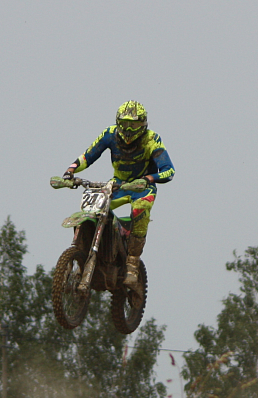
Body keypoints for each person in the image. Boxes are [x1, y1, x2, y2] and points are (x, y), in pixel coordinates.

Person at [61, 101, 176, 297]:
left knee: (140, 208)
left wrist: (148, 179)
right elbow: (89, 155)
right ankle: (85, 249)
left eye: (134, 125)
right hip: (118, 185)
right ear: (118, 123)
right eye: (125, 124)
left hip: (142, 187)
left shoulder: (152, 139)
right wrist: (71, 170)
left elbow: (169, 170)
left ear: (143, 124)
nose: (129, 130)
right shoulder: (110, 134)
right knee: (93, 207)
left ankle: (132, 262)